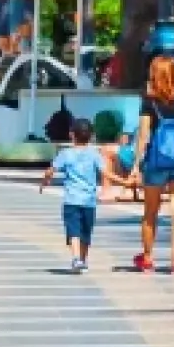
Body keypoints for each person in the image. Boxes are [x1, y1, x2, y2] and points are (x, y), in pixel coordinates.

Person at [129, 55, 174, 271]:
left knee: (151, 211)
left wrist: (136, 164)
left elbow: (143, 136)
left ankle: (147, 257)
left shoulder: (149, 101)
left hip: (155, 161)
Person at [47, 108, 107, 272]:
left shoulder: (65, 154)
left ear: (71, 135)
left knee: (74, 231)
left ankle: (77, 259)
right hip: (89, 201)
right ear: (91, 136)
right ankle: (81, 259)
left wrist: (45, 180)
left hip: (71, 200)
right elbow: (105, 173)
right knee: (86, 232)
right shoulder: (95, 154)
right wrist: (117, 184)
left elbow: (51, 170)